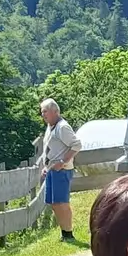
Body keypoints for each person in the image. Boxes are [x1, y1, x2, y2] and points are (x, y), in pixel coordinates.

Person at [37, 97, 83, 242]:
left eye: (45, 111)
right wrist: (45, 167)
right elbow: (49, 149)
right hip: (51, 170)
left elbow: (77, 145)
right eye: (42, 111)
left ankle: (68, 233)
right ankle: (64, 233)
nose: (43, 114)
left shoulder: (62, 127)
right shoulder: (50, 127)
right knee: (55, 203)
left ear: (55, 111)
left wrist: (63, 162)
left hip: (61, 170)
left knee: (62, 202)